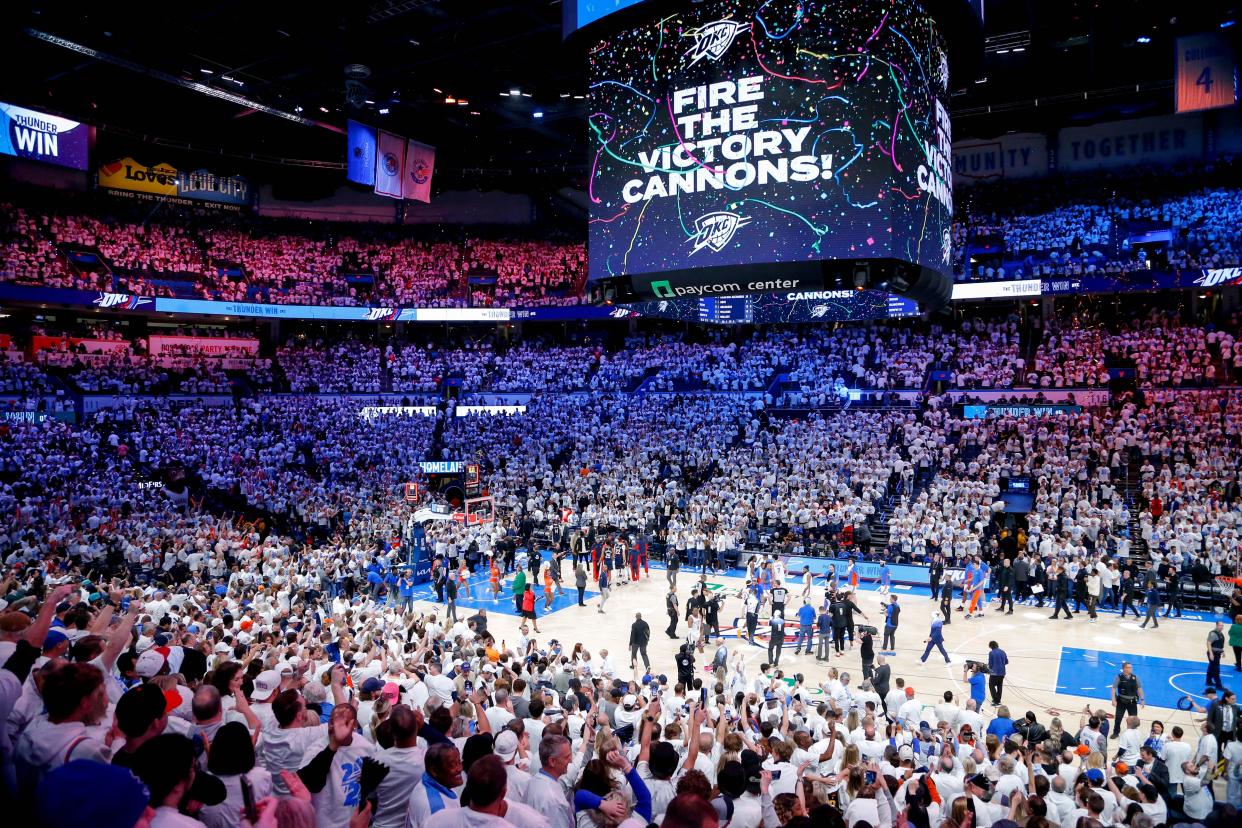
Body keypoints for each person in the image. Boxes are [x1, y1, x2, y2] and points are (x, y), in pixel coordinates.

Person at [1110, 661, 1144, 737]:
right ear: (1124, 668)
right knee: (1118, 718)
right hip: (1121, 701)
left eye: (1131, 667)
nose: (1131, 669)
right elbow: (1113, 688)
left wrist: (1142, 699)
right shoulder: (1119, 677)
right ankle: (1116, 732)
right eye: (1129, 667)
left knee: (1133, 719)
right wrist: (1113, 700)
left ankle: (1133, 733)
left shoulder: (1135, 677)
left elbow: (1139, 688)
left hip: (1132, 702)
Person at [1206, 620, 1227, 690]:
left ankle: (1208, 681)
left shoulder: (1220, 633)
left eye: (1222, 625)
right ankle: (1218, 685)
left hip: (1217, 653)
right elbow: (1208, 643)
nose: (1221, 627)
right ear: (1216, 625)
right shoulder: (1213, 633)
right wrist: (1211, 653)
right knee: (1216, 670)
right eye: (1220, 625)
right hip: (1213, 654)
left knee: (1211, 667)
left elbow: (1219, 644)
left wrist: (1222, 651)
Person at [987, 640, 1008, 705]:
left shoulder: (991, 653)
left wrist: (988, 669)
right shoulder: (1003, 652)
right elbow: (1006, 662)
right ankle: (998, 700)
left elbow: (990, 664)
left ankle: (996, 701)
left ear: (991, 646)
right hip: (1002, 673)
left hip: (994, 673)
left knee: (991, 686)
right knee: (999, 686)